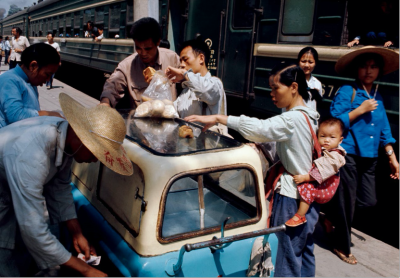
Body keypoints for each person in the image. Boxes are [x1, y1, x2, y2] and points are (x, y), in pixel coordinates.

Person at [185, 64, 321, 277]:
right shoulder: (310, 115)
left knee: (285, 257)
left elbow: (260, 129)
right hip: (308, 197)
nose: (272, 94)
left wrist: (220, 118)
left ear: (294, 87)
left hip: (291, 197)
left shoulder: (292, 119)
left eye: (276, 88)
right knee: (303, 253)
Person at [0, 93, 133, 277]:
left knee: (22, 249)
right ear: (82, 138)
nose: (95, 160)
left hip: (12, 191)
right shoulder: (32, 155)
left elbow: (60, 187)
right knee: (5, 257)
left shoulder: (65, 141)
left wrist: (76, 233)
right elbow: (34, 229)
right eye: (96, 153)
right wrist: (87, 271)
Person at [328, 46, 399, 264]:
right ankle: (341, 245)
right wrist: (361, 109)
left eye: (374, 67)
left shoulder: (378, 95)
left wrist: (392, 157)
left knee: (368, 200)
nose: (369, 71)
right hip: (349, 154)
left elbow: (384, 128)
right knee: (348, 202)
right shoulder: (347, 90)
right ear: (356, 69)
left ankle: (332, 213)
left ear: (379, 71)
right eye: (364, 66)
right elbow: (335, 121)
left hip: (370, 157)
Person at [99, 17, 180, 109]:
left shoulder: (172, 59)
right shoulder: (127, 66)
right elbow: (112, 85)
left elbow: (189, 80)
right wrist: (105, 102)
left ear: (157, 42)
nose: (143, 53)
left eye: (147, 49)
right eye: (138, 48)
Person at [286, 117, 346, 227]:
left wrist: (304, 178)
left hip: (324, 188)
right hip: (320, 184)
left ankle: (300, 215)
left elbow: (320, 173)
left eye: (332, 137)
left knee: (307, 187)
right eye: (323, 136)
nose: (327, 140)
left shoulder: (336, 156)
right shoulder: (322, 149)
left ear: (340, 140)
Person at [165, 39, 227, 128]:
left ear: (201, 59)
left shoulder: (215, 83)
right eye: (181, 61)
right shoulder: (187, 90)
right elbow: (173, 111)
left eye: (185, 59)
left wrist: (184, 74)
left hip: (207, 141)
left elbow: (203, 90)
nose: (182, 65)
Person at [0, 43, 61, 129]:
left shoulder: (30, 81)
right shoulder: (10, 80)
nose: (48, 80)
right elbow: (15, 115)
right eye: (47, 74)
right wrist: (48, 114)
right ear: (33, 66)